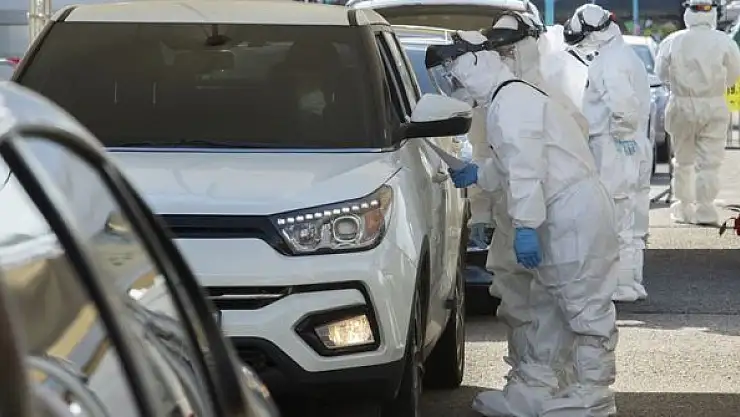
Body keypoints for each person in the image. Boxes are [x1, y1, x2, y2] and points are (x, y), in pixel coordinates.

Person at [425, 28, 620, 417]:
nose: (455, 83)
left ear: (477, 61)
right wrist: (479, 173)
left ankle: (594, 395)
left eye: (455, 71)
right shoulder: (506, 100)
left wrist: (526, 226)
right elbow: (514, 164)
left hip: (570, 213)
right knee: (550, 304)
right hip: (560, 211)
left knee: (583, 304)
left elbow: (527, 170)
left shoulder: (512, 102)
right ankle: (546, 389)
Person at [564, 4, 651, 302]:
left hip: (615, 146)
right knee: (631, 220)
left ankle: (619, 285)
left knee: (615, 218)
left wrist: (622, 135)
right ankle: (630, 282)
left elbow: (623, 107)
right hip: (630, 145)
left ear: (593, 33)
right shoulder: (623, 55)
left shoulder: (610, 62)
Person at [656, 0, 740, 226]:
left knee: (683, 161)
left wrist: (678, 85)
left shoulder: (672, 41)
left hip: (681, 104)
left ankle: (683, 208)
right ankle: (705, 210)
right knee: (709, 164)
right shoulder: (724, 41)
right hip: (713, 105)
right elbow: (734, 74)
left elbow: (661, 73)